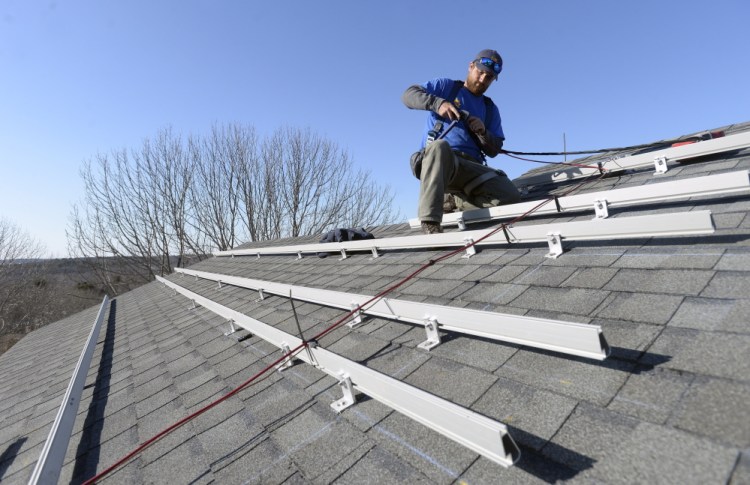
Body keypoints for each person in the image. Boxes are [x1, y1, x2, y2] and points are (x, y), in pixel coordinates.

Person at [402, 49, 521, 234]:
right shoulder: (446, 87)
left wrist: (483, 132)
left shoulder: (490, 109)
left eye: (488, 77)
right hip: (440, 162)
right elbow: (408, 95)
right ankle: (431, 223)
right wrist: (438, 104)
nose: (482, 80)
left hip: (471, 168)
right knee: (439, 147)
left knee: (511, 196)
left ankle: (455, 200)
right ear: (471, 66)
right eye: (480, 72)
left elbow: (494, 149)